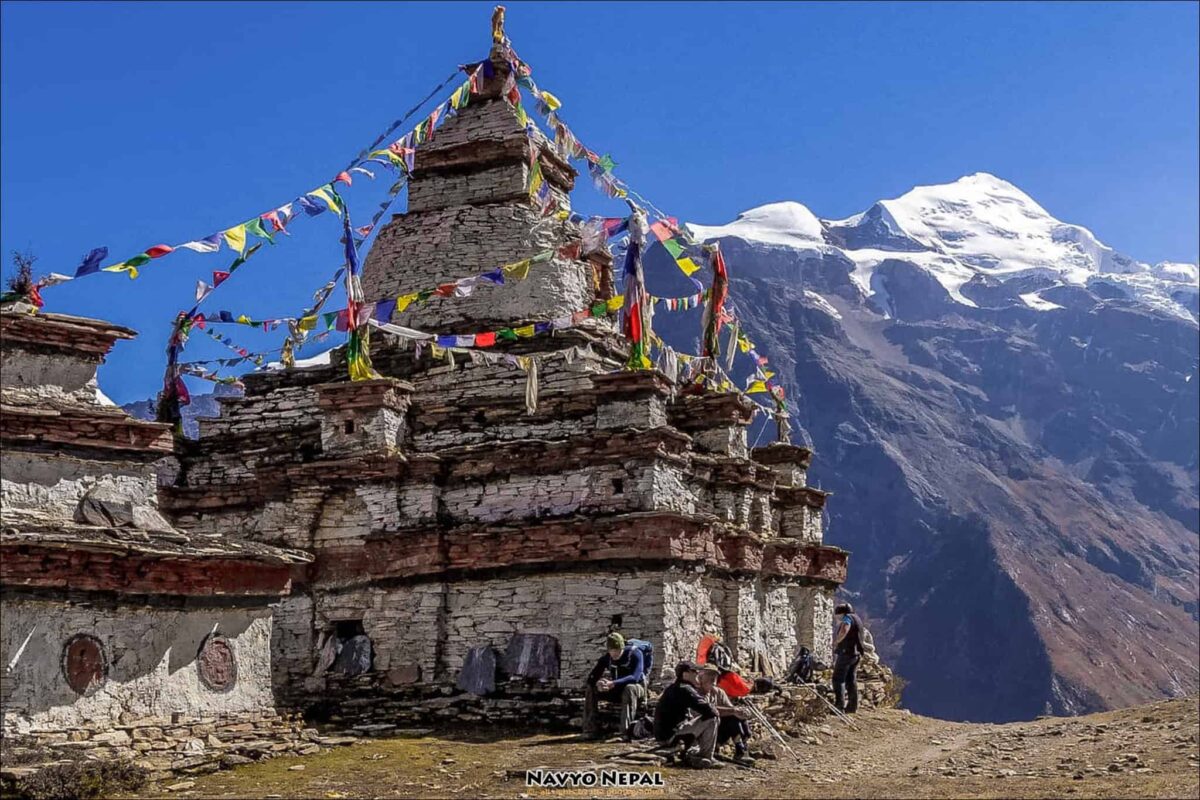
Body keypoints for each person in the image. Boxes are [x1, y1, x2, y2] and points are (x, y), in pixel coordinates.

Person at [653, 661, 723, 769]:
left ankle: (692, 752)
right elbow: (709, 710)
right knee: (712, 718)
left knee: (698, 717)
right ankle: (705, 755)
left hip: (665, 733)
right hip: (671, 735)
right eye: (694, 671)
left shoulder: (675, 687)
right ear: (685, 674)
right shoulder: (685, 689)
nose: (697, 673)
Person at [583, 633, 646, 738]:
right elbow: (592, 678)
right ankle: (590, 729)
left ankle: (625, 732)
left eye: (617, 651)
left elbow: (635, 677)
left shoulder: (635, 654)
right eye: (612, 651)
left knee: (629, 688)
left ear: (622, 648)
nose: (614, 654)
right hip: (616, 689)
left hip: (636, 689)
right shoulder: (607, 658)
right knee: (591, 689)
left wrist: (613, 683)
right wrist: (598, 683)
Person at [696, 664, 755, 765]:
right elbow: (707, 709)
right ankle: (739, 749)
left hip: (718, 727)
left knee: (737, 717)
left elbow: (731, 708)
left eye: (715, 675)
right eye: (709, 674)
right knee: (732, 716)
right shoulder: (697, 693)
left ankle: (742, 747)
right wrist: (733, 711)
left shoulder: (718, 692)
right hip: (701, 728)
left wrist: (740, 712)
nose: (713, 678)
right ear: (700, 677)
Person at [832, 603, 865, 714]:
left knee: (838, 678)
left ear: (842, 613)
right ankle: (852, 706)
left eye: (838, 615)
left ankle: (839, 706)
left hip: (847, 653)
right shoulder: (857, 618)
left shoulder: (847, 618)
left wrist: (837, 640)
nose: (838, 618)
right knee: (851, 679)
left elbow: (845, 629)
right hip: (857, 654)